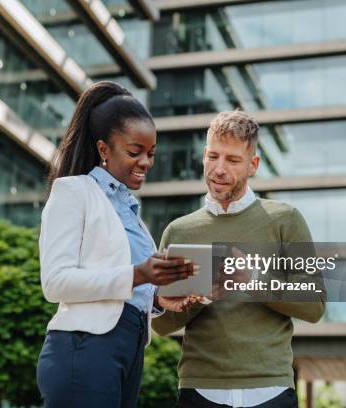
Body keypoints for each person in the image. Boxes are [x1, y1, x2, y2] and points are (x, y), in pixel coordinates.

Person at [37, 81, 195, 408]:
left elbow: (129, 286)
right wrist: (138, 274)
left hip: (129, 347)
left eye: (150, 154)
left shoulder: (130, 211)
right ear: (104, 149)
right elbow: (55, 283)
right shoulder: (73, 192)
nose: (145, 163)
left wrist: (160, 296)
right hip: (85, 348)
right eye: (134, 152)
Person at [153, 110, 326, 408]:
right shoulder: (178, 232)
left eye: (232, 160)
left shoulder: (286, 220)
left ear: (253, 165)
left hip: (269, 390)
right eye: (213, 156)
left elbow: (315, 305)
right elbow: (162, 324)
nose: (219, 169)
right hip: (199, 391)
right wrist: (200, 298)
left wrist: (254, 281)